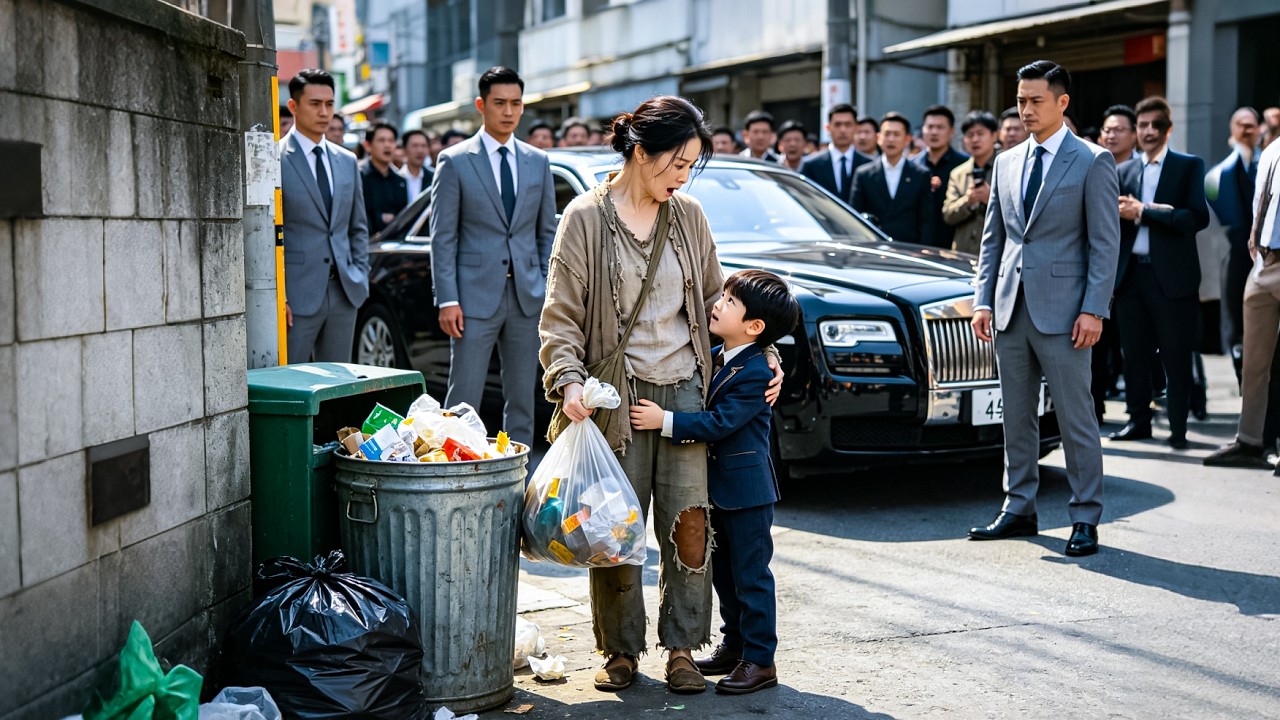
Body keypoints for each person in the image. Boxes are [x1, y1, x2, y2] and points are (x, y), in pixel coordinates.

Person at [539, 95, 783, 695]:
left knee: (690, 527)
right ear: (641, 153)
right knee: (613, 529)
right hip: (613, 400)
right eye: (677, 164)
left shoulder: (690, 216)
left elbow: (717, 307)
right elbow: (560, 318)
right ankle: (619, 650)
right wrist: (567, 380)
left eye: (691, 167)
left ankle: (682, 647)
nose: (683, 177)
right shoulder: (584, 219)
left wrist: (764, 351)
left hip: (686, 394)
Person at [968, 60, 1120, 557]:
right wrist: (982, 299)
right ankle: (1019, 507)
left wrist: (1094, 309)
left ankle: (1085, 516)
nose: (1026, 109)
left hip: (1067, 312)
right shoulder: (1006, 161)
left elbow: (1104, 244)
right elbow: (994, 241)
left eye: (1035, 100)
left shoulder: (1093, 160)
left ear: (1062, 103)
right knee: (1016, 417)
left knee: (1077, 418)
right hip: (1010, 308)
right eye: (1020, 100)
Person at [629, 270, 800, 696]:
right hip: (720, 489)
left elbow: (720, 422)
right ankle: (735, 644)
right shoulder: (723, 354)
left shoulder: (757, 371)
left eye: (728, 301)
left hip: (747, 493)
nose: (717, 303)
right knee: (723, 573)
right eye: (721, 295)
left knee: (751, 576)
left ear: (754, 327)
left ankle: (760, 660)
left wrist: (664, 421)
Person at [429, 66, 557, 447]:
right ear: (481, 105)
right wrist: (448, 299)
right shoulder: (455, 160)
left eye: (516, 103)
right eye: (500, 103)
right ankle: (453, 471)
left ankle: (517, 479)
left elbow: (546, 231)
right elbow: (443, 237)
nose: (509, 112)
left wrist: (545, 284)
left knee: (522, 397)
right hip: (471, 299)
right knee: (463, 395)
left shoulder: (538, 161)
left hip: (526, 296)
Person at [1108, 96, 1209, 450]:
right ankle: (1138, 421)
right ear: (1135, 131)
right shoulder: (1123, 172)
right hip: (1131, 275)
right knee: (1132, 354)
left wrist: (1145, 211)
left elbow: (1195, 218)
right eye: (1142, 125)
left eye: (1155, 125)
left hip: (1172, 277)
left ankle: (1178, 427)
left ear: (1168, 129)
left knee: (1175, 353)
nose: (1148, 131)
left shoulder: (1188, 166)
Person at [278, 68, 370, 363]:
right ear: (294, 106)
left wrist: (359, 274)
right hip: (295, 294)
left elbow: (357, 227)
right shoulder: (274, 158)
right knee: (291, 386)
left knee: (339, 388)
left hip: (344, 290)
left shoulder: (346, 161)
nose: (324, 112)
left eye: (329, 104)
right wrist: (279, 296)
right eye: (315, 104)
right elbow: (266, 233)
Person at [1204, 130, 1280, 474]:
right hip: (1265, 261)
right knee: (1254, 362)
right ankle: (1250, 442)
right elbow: (1261, 200)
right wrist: (1254, 240)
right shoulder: (1272, 149)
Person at [1207, 107, 1261, 382]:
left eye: (1251, 125)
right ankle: (1239, 360)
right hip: (1236, 251)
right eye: (1241, 124)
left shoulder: (1266, 165)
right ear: (1232, 129)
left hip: (1267, 254)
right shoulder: (1221, 173)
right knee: (1236, 311)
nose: (1246, 130)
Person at [851, 112, 934, 245]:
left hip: (910, 249)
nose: (891, 139)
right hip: (873, 248)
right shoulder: (863, 174)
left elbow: (926, 220)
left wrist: (924, 250)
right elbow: (855, 216)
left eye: (896, 134)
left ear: (907, 139)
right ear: (878, 138)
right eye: (887, 134)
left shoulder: (920, 174)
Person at [914, 105, 970, 248]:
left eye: (940, 127)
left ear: (951, 131)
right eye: (930, 127)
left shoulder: (963, 165)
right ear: (923, 130)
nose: (934, 132)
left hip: (954, 242)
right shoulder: (912, 166)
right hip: (917, 244)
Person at [942, 110, 998, 255]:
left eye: (980, 133)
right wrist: (968, 201)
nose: (974, 139)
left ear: (994, 135)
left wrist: (990, 199)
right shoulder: (958, 173)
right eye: (969, 135)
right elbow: (948, 214)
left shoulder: (1007, 167)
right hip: (963, 252)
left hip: (997, 251)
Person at [799, 103, 871, 205]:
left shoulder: (869, 166)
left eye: (848, 125)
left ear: (856, 128)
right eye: (837, 125)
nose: (843, 130)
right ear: (828, 128)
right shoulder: (811, 165)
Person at [360, 122, 409, 236]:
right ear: (368, 145)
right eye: (381, 140)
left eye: (391, 141)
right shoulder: (359, 176)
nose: (387, 145)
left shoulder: (400, 180)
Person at [399, 129, 434, 201]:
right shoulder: (395, 178)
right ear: (404, 149)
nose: (420, 150)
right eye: (415, 146)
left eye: (424, 146)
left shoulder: (434, 177)